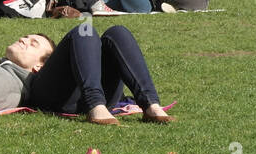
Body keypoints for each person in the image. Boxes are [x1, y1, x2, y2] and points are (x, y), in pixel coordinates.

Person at [23, 23, 173, 124]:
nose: (24, 39)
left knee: (117, 32)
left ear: (40, 64)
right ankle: (95, 105)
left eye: (33, 43)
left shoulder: (43, 68)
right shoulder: (2, 64)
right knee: (85, 29)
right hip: (52, 98)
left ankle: (151, 104)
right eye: (25, 37)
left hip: (78, 92)